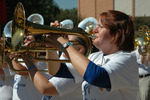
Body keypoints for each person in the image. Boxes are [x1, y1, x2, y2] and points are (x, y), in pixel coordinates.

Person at [43, 10, 139, 100]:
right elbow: (56, 70)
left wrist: (64, 45)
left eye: (100, 27)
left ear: (117, 33)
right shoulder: (94, 57)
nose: (94, 30)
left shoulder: (127, 59)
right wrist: (51, 47)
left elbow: (95, 76)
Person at [20, 26, 88, 99]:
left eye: (69, 42)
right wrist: (50, 42)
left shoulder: (77, 69)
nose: (64, 43)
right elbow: (52, 71)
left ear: (81, 49)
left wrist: (29, 63)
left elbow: (45, 88)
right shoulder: (65, 58)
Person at [11, 34, 51, 100]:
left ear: (38, 43)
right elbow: (10, 66)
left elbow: (21, 71)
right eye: (25, 39)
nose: (25, 41)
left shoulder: (43, 62)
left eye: (28, 39)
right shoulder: (20, 59)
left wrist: (12, 56)